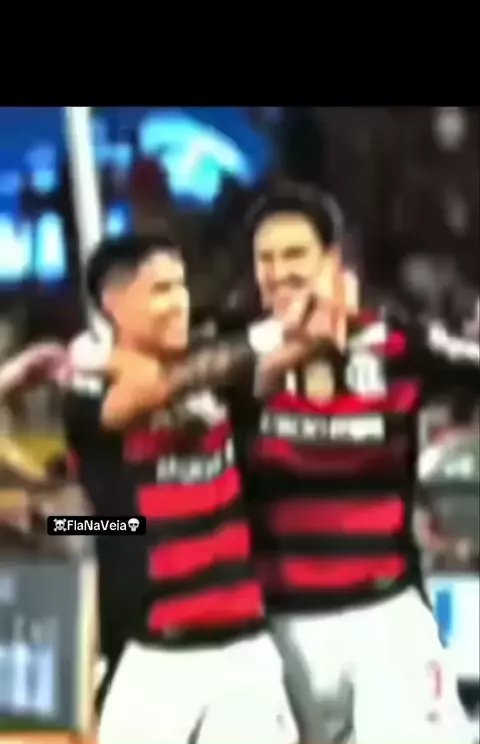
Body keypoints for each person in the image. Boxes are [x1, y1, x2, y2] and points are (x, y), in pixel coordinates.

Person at [63, 233, 334, 744]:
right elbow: (143, 394)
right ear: (114, 303)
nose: (179, 302)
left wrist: (311, 310)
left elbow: (297, 348)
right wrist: (265, 335)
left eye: (181, 286)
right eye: (160, 289)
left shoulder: (217, 371)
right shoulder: (87, 391)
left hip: (245, 656)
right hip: (152, 657)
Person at [238, 182, 478, 744]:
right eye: (265, 258)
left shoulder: (397, 343)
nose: (278, 271)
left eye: (294, 254)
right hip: (268, 634)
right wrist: (70, 524)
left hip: (386, 620)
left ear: (332, 260)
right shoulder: (229, 358)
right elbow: (126, 515)